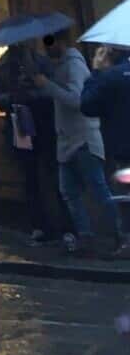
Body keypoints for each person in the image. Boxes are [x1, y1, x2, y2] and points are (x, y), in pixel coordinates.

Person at [35, 30, 121, 255]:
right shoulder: (60, 66)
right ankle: (86, 237)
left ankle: (118, 236)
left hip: (83, 139)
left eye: (49, 41)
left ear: (61, 41)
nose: (46, 47)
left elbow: (76, 100)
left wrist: (48, 85)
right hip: (66, 140)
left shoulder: (74, 65)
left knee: (97, 189)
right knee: (69, 191)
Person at [0, 42, 66, 244]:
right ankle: (41, 224)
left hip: (41, 123)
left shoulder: (39, 62)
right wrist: (15, 97)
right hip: (23, 124)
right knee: (32, 175)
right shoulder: (2, 66)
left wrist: (30, 94)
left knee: (48, 173)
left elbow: (52, 89)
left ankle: (58, 223)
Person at [81, 45, 130, 253]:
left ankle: (127, 242)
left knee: (125, 198)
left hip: (122, 149)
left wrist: (96, 71)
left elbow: (87, 105)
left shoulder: (110, 77)